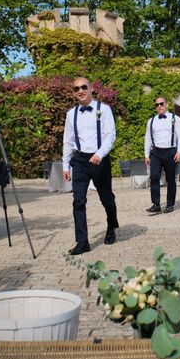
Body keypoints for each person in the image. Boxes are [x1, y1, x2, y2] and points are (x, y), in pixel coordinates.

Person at [62, 77, 119, 255]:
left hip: (99, 159)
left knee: (106, 197)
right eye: (76, 88)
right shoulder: (71, 114)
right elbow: (68, 141)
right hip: (79, 161)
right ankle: (82, 241)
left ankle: (111, 226)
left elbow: (111, 135)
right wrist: (65, 165)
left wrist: (99, 154)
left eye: (83, 87)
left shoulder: (104, 109)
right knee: (78, 200)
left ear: (91, 88)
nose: (80, 90)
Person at [144, 97, 180, 214]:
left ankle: (170, 204)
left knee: (170, 179)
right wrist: (146, 155)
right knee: (154, 177)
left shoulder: (175, 119)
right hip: (156, 152)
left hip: (170, 152)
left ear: (166, 105)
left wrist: (179, 151)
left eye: (161, 104)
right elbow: (147, 138)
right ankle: (156, 204)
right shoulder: (151, 121)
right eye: (156, 105)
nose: (159, 106)